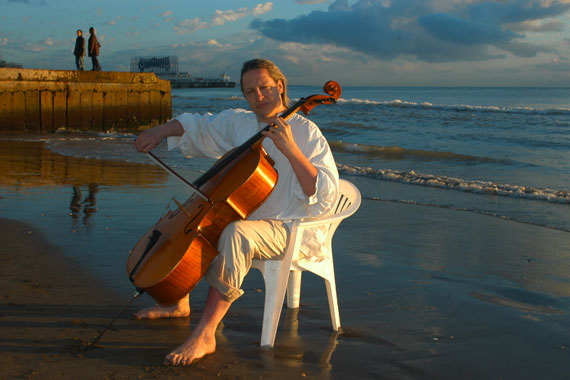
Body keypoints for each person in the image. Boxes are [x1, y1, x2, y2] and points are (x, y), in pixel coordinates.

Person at [134, 58, 339, 366]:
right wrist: (160, 131)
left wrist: (291, 150)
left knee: (234, 233)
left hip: (292, 227)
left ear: (280, 87)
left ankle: (206, 333)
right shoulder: (242, 123)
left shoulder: (306, 133)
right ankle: (177, 301)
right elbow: (197, 125)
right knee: (208, 224)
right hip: (252, 220)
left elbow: (324, 195)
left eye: (265, 88)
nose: (259, 97)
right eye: (251, 91)